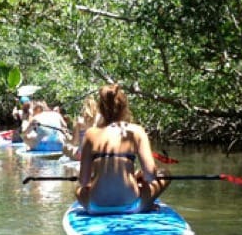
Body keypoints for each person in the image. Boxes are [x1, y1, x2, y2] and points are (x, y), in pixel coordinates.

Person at [76, 84, 169, 214]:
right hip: (131, 204)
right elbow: (150, 176)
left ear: (100, 108)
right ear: (124, 107)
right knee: (165, 173)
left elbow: (84, 181)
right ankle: (145, 204)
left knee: (77, 189)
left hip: (96, 205)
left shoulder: (90, 133)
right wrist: (138, 176)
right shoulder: (137, 131)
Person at [67, 95, 101, 160]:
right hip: (98, 155)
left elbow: (75, 143)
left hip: (83, 155)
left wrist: (67, 137)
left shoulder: (79, 120)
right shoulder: (100, 119)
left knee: (67, 150)